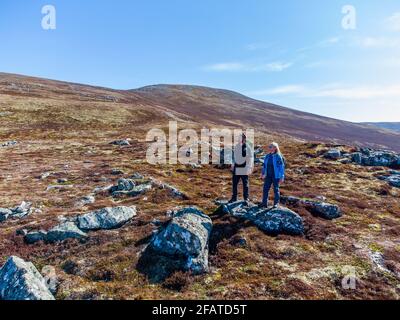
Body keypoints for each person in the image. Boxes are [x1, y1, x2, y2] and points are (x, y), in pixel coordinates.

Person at [229, 134, 254, 203]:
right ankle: (234, 197)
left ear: (243, 139)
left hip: (244, 167)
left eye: (240, 138)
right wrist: (233, 164)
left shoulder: (247, 147)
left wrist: (249, 167)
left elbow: (251, 157)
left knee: (245, 184)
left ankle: (246, 198)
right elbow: (235, 156)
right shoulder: (236, 146)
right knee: (234, 183)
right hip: (236, 167)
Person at [260, 142, 285, 208]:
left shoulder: (278, 156)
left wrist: (282, 176)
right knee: (265, 189)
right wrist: (262, 174)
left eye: (271, 147)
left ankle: (276, 204)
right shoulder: (267, 156)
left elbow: (281, 167)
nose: (269, 148)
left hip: (276, 176)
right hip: (268, 175)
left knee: (276, 189)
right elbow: (264, 166)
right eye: (269, 147)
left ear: (275, 148)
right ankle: (264, 203)